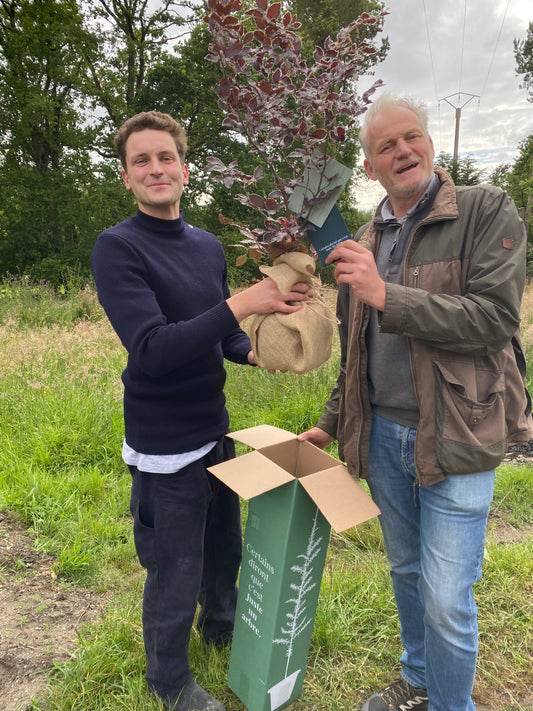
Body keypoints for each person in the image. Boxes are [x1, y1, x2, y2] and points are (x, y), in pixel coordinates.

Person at [299, 93, 532, 711]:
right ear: (370, 166)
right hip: (382, 435)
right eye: (386, 145)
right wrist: (329, 423)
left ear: (431, 143)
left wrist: (385, 293)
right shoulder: (364, 238)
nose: (403, 151)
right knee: (406, 574)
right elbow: (356, 348)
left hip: (458, 432)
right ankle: (419, 680)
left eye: (412, 138)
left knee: (447, 597)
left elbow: (495, 318)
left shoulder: (485, 211)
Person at [91, 111, 309, 711]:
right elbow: (155, 349)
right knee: (174, 567)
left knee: (224, 548)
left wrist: (258, 352)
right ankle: (168, 679)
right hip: (164, 445)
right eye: (142, 161)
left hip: (214, 430)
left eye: (165, 157)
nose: (155, 168)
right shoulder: (118, 248)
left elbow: (220, 335)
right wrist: (241, 304)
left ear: (184, 170)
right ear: (127, 177)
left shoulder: (206, 245)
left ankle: (221, 626)